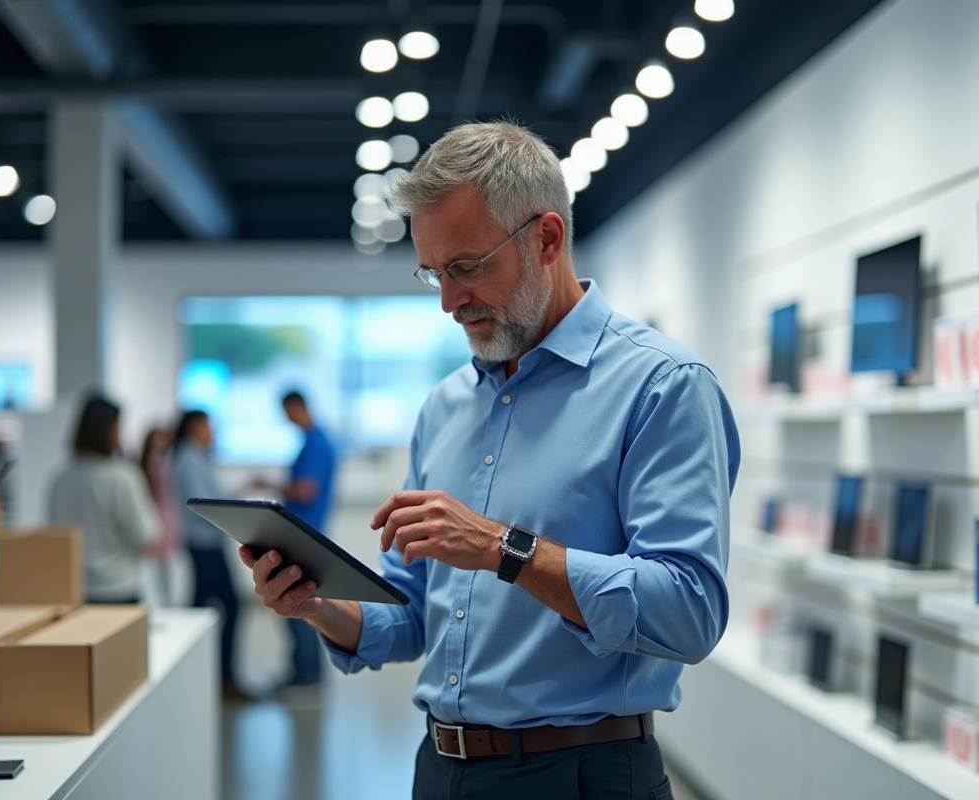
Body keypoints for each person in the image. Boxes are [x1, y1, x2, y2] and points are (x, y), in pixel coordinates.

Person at [239, 121, 740, 799]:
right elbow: (414, 615)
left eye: (467, 267)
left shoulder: (662, 386)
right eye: (434, 274)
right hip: (439, 771)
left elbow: (690, 610)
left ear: (548, 239)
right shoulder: (444, 407)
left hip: (582, 778)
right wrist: (319, 604)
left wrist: (505, 547)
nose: (448, 301)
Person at [49, 395, 161, 603]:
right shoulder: (122, 476)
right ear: (109, 429)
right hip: (119, 588)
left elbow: (55, 535)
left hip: (76, 590)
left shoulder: (60, 478)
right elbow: (146, 536)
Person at [170, 410, 245, 696]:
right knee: (226, 608)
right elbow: (203, 506)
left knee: (204, 609)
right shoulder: (189, 459)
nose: (212, 432)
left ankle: (210, 676)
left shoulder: (196, 458)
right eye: (208, 427)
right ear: (194, 428)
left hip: (208, 543)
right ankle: (221, 677)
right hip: (205, 545)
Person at [269, 391, 338, 687]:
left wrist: (269, 485)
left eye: (286, 411)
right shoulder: (314, 441)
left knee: (300, 605)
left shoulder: (316, 443)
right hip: (303, 533)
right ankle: (301, 672)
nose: (286, 418)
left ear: (297, 407)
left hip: (304, 536)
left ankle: (306, 676)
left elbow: (306, 490)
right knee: (297, 603)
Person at [140, 426, 186, 605]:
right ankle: (164, 603)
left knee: (168, 566)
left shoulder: (168, 462)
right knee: (159, 567)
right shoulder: (152, 465)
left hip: (168, 515)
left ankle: (168, 603)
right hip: (157, 515)